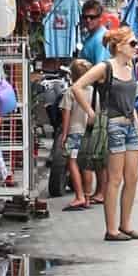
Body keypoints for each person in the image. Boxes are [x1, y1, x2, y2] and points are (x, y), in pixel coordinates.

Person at [73, 26, 138, 241]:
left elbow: (131, 104)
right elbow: (78, 87)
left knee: (132, 177)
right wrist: (90, 112)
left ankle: (125, 224)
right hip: (113, 126)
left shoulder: (130, 67)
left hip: (130, 125)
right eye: (132, 44)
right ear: (119, 46)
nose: (136, 48)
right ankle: (111, 229)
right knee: (114, 179)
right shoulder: (106, 67)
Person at [60, 58, 94, 211]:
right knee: (87, 165)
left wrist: (64, 135)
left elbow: (66, 116)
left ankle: (79, 196)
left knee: (73, 163)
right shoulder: (94, 92)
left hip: (74, 132)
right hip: (89, 134)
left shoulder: (71, 92)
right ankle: (87, 197)